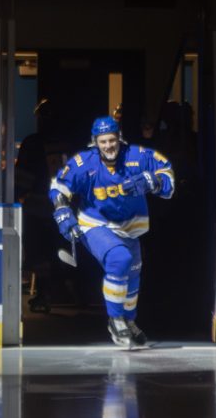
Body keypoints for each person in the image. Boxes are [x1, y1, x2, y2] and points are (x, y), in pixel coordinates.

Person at [48, 115, 175, 348]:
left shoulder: (137, 156)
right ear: (95, 142)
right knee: (120, 259)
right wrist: (62, 212)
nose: (108, 146)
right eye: (103, 141)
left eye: (112, 140)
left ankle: (128, 320)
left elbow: (167, 175)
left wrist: (152, 182)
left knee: (133, 276)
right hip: (95, 224)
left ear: (119, 138)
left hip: (130, 228)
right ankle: (115, 320)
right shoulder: (83, 163)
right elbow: (59, 187)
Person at [15, 99, 70, 313]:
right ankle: (67, 290)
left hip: (38, 207)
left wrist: (16, 194)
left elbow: (22, 177)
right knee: (58, 249)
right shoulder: (69, 144)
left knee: (39, 252)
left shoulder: (33, 143)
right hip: (64, 208)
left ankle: (44, 294)